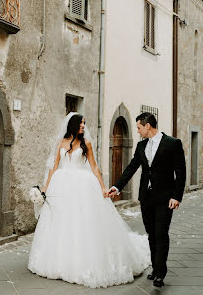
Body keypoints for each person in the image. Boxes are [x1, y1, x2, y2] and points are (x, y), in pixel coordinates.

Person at [28, 112, 150, 288]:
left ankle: (80, 261)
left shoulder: (87, 143)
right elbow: (54, 166)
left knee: (81, 221)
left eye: (84, 123)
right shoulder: (61, 143)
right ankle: (60, 260)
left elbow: (93, 166)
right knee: (60, 221)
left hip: (82, 185)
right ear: (73, 125)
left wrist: (102, 186)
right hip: (61, 184)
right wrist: (46, 188)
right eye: (81, 124)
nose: (83, 126)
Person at [108, 112, 186, 288]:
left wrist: (176, 196)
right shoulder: (141, 145)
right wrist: (117, 186)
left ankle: (160, 272)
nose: (137, 131)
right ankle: (155, 267)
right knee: (151, 234)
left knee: (161, 233)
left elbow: (180, 172)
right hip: (147, 197)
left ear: (147, 125)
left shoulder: (172, 144)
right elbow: (132, 167)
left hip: (165, 198)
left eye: (138, 127)